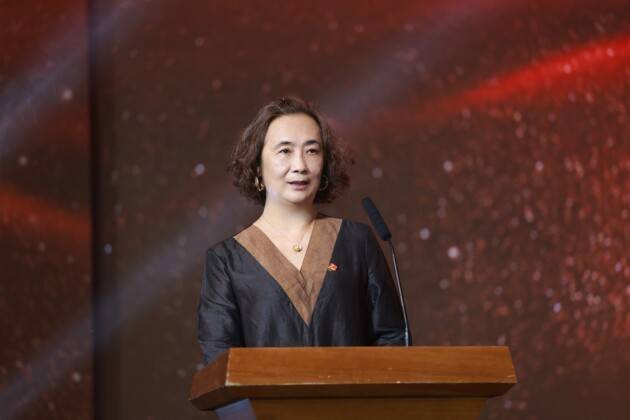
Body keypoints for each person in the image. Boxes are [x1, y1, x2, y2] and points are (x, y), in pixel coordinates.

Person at [198, 96, 405, 365]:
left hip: (353, 394)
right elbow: (220, 361)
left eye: (312, 151)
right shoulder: (226, 260)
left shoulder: (356, 241)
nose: (300, 166)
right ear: (257, 167)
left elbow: (392, 340)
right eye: (285, 151)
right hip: (265, 396)